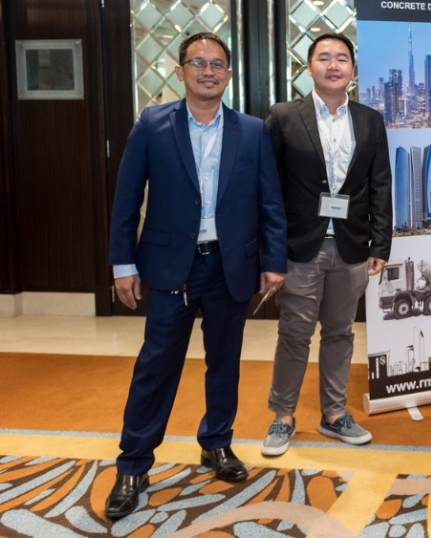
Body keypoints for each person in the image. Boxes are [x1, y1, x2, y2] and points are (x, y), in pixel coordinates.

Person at [106, 32, 287, 519]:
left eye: (217, 64)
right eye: (198, 62)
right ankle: (133, 463)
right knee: (156, 365)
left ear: (229, 73)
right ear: (180, 70)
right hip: (170, 266)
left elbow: (270, 203)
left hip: (230, 265)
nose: (209, 71)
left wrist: (274, 261)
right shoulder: (152, 124)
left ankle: (217, 442)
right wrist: (123, 264)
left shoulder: (252, 130)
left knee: (224, 362)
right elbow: (126, 201)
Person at [261, 33, 392, 456]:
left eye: (341, 58)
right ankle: (283, 416)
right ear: (309, 67)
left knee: (340, 333)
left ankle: (334, 415)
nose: (333, 65)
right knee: (294, 333)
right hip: (300, 247)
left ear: (352, 69)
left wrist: (381, 244)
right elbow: (267, 188)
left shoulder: (370, 120)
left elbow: (380, 184)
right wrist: (270, 251)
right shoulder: (283, 117)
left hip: (352, 247)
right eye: (323, 58)